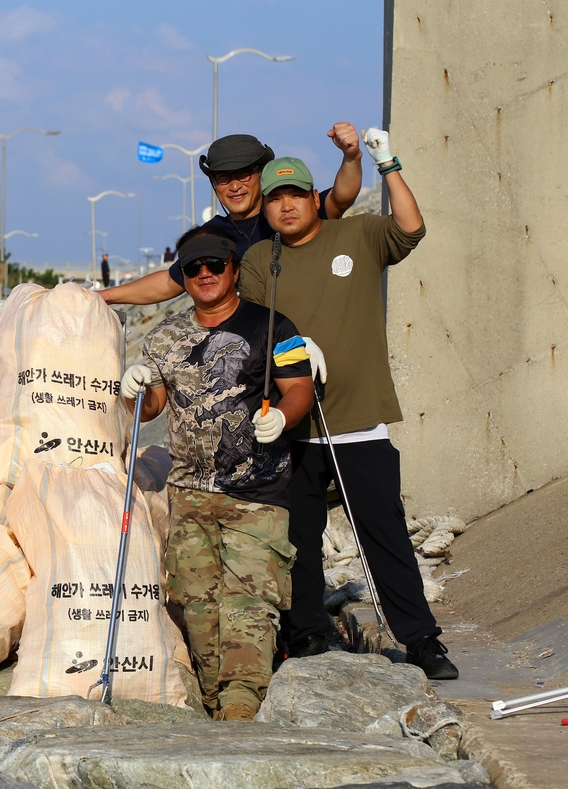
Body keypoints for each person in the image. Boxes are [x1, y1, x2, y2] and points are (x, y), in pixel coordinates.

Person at [238, 135, 459, 680]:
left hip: (360, 424)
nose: (285, 205)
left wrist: (385, 162)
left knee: (383, 536)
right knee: (299, 545)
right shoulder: (259, 259)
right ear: (264, 209)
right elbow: (250, 336)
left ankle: (421, 640)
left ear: (315, 197)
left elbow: (411, 226)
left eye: (294, 194)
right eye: (274, 198)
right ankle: (307, 635)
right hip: (292, 429)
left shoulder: (358, 234)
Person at [121, 234, 314, 721]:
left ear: (232, 269)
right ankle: (214, 707)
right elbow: (154, 408)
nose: (204, 274)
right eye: (193, 268)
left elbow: (300, 389)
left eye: (214, 264)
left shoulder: (274, 325)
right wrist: (134, 392)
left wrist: (284, 417)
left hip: (258, 495)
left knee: (250, 608)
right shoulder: (163, 338)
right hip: (189, 496)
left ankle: (241, 712)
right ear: (182, 277)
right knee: (200, 612)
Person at [99, 123, 364, 306]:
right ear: (213, 183)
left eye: (244, 174)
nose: (234, 186)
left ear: (262, 174)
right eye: (224, 178)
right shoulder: (212, 235)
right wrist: (105, 296)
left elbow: (342, 197)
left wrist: (351, 156)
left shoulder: (289, 214)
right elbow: (170, 282)